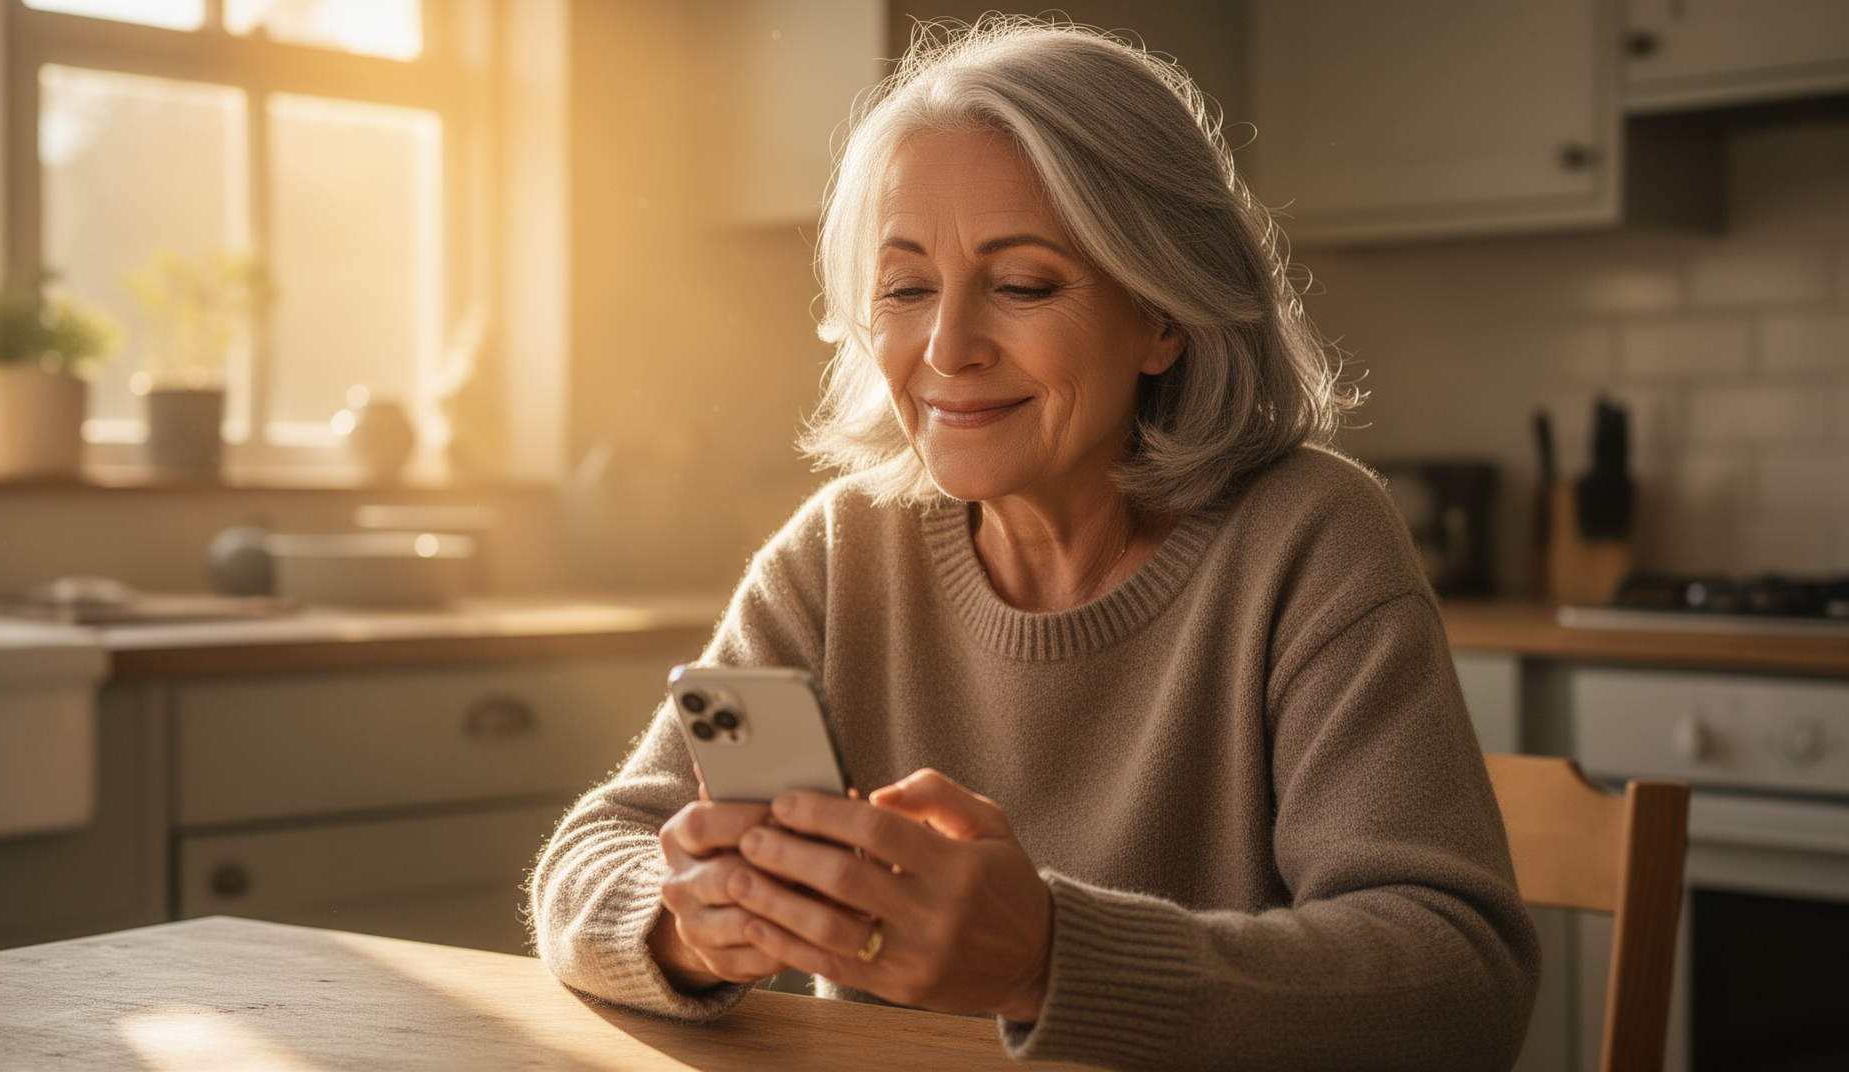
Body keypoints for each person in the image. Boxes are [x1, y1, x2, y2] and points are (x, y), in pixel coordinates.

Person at [530, 18, 1538, 1072]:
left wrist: (1050, 960)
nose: (947, 348)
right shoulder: (839, 554)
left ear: (1162, 315)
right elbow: (591, 856)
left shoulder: (1309, 540)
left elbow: (1462, 985)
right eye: (907, 288)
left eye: (1022, 285)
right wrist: (687, 924)